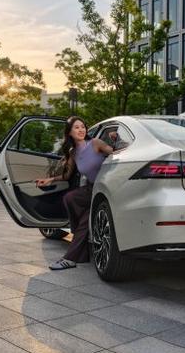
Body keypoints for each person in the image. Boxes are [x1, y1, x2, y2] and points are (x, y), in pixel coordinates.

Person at [35, 116, 114, 271]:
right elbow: (67, 176)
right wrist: (50, 180)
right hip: (91, 189)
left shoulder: (95, 143)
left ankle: (70, 258)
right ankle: (79, 253)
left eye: (83, 127)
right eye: (76, 127)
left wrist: (116, 140)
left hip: (104, 189)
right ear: (69, 132)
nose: (81, 130)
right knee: (71, 200)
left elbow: (116, 154)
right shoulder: (73, 153)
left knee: (81, 216)